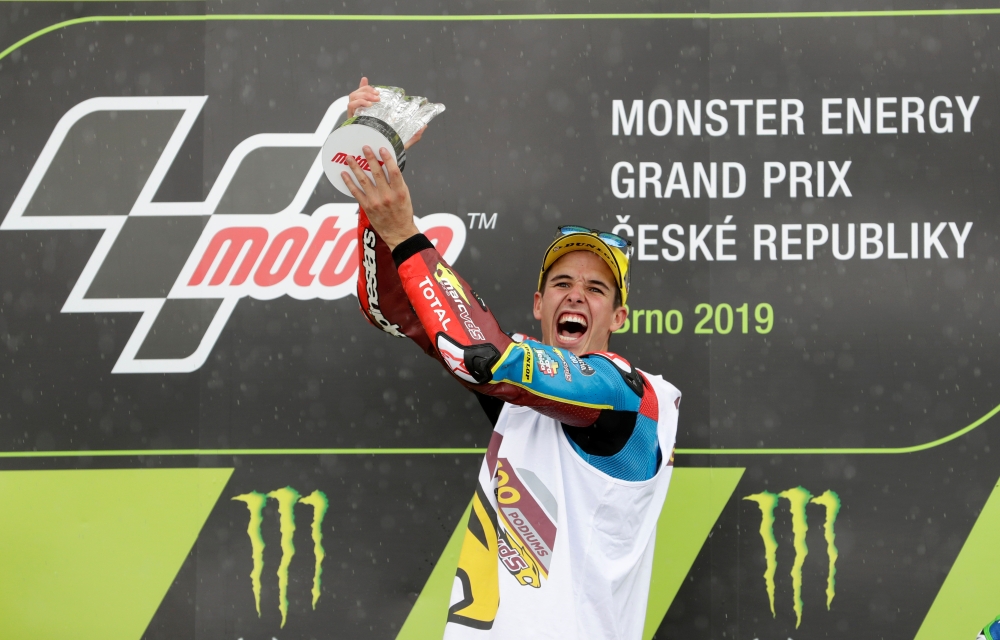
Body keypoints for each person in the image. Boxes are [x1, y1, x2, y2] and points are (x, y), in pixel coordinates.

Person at [343, 80, 680, 640]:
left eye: (596, 289)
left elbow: (486, 359)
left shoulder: (629, 396)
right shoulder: (523, 399)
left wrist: (405, 232)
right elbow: (397, 310)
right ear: (539, 305)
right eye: (562, 284)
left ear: (618, 318)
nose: (576, 296)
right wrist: (377, 170)